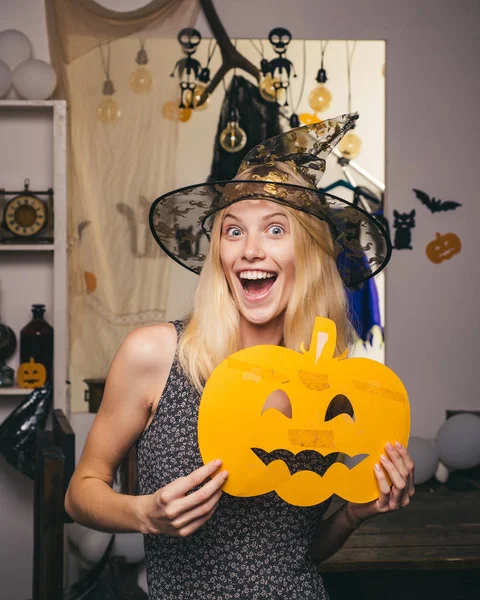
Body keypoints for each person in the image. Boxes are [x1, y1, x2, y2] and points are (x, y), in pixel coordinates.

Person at [66, 112, 414, 600]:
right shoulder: (157, 355)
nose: (250, 249)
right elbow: (81, 489)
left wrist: (355, 513)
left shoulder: (328, 384)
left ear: (309, 253)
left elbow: (296, 555)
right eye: (233, 231)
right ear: (219, 254)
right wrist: (144, 513)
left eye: (275, 230)